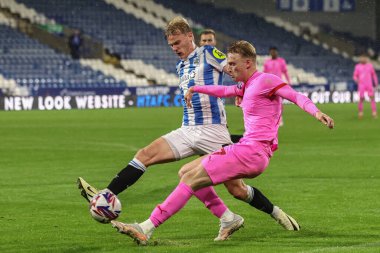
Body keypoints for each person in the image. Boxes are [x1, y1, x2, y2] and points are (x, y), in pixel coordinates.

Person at [78, 17, 299, 239]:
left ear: (189, 36)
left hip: (213, 130)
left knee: (237, 190)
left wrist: (244, 90)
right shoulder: (181, 65)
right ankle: (106, 195)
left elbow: (235, 71)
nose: (175, 49)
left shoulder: (209, 53)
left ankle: (275, 212)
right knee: (145, 155)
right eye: (171, 45)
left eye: (177, 43)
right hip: (187, 129)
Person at [111, 40, 334, 245]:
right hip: (246, 148)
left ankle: (146, 228)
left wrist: (316, 113)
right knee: (185, 172)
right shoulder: (245, 86)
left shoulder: (265, 80)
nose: (229, 68)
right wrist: (195, 88)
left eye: (233, 64)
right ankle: (230, 219)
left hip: (253, 151)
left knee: (191, 178)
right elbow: (223, 90)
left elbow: (295, 96)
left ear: (248, 63)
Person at [263, 47, 291, 126]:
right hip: (269, 85)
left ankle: (279, 119)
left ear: (277, 52)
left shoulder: (281, 61)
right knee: (269, 103)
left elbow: (285, 72)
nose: (273, 53)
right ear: (270, 53)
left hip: (278, 85)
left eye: (274, 52)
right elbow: (265, 74)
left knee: (279, 103)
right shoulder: (267, 62)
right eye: (272, 52)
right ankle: (271, 119)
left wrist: (289, 81)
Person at [353, 53, 378, 119]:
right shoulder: (357, 66)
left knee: (372, 98)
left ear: (366, 59)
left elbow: (373, 74)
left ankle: (374, 112)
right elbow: (355, 75)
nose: (363, 59)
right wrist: (357, 80)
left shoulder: (370, 66)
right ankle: (360, 112)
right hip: (361, 85)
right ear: (360, 59)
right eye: (362, 58)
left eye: (364, 58)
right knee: (361, 98)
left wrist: (375, 82)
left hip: (369, 84)